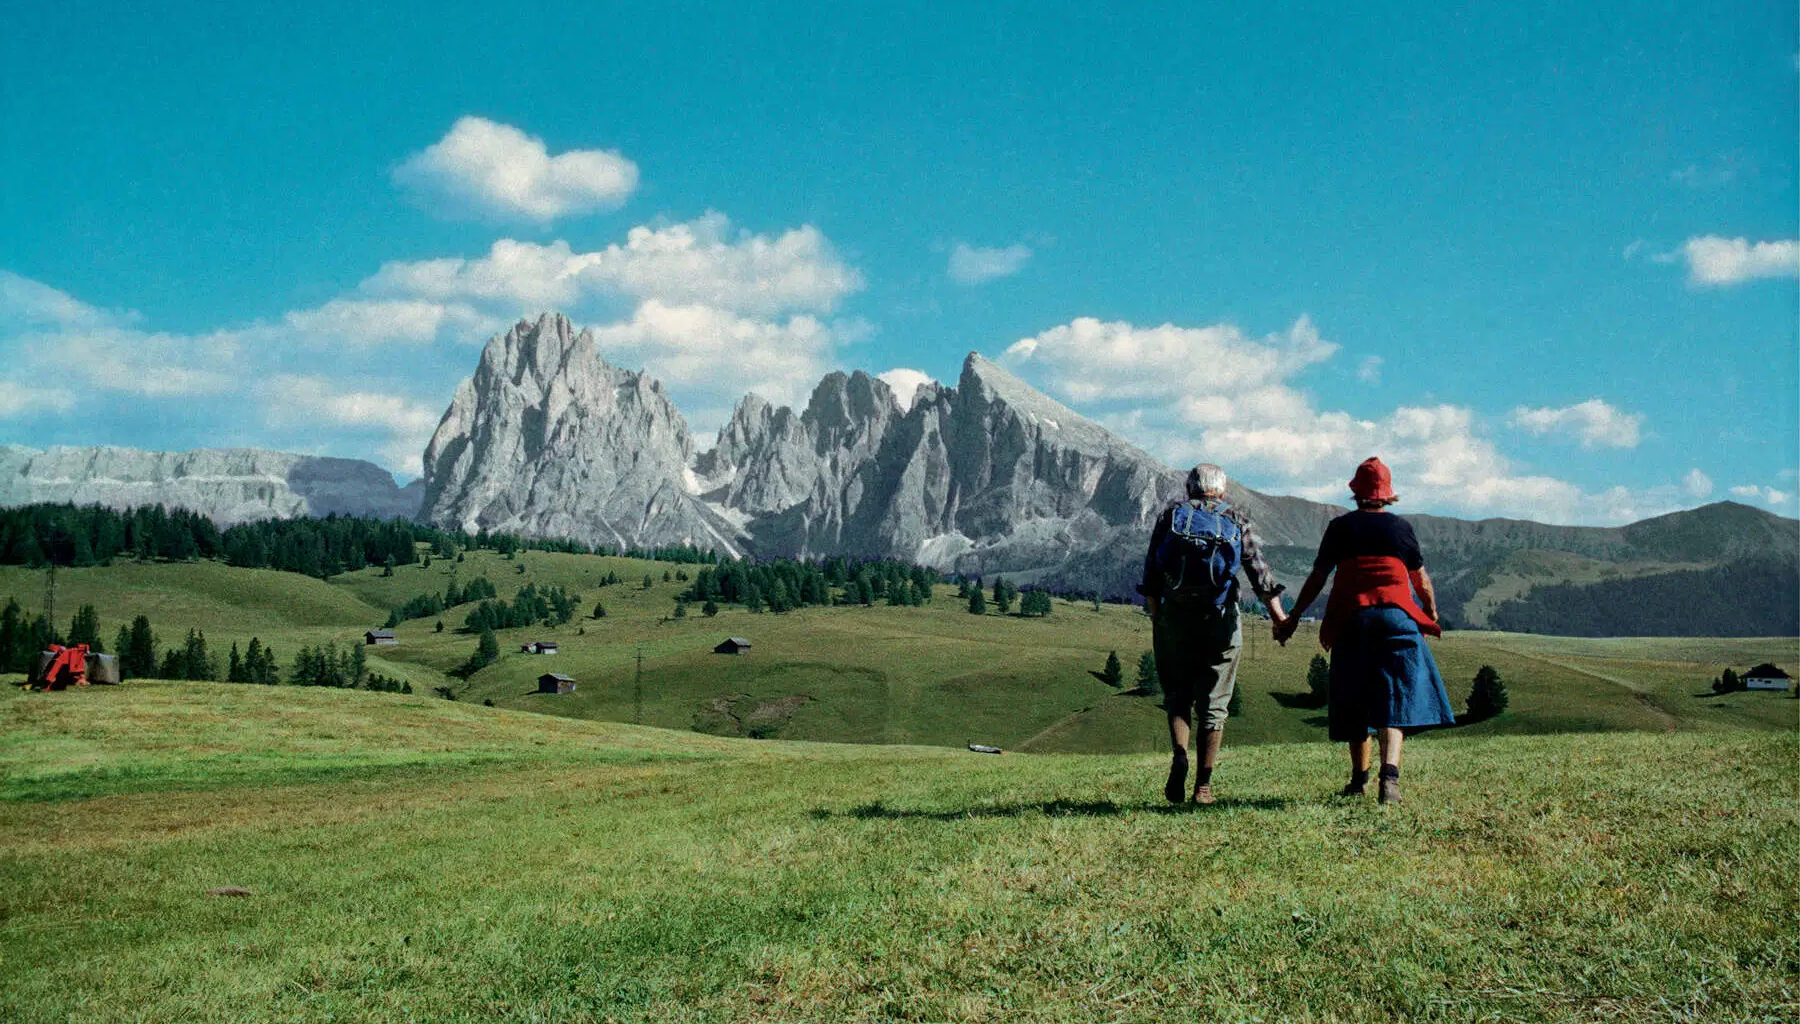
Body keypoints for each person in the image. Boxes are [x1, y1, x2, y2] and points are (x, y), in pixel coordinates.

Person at [1273, 457, 1455, 804]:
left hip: (1353, 619)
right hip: (1396, 618)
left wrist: (1294, 616)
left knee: (1355, 697)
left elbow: (1317, 578)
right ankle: (1390, 780)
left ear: (1356, 492)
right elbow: (1421, 580)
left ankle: (1359, 781)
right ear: (1387, 495)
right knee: (1395, 697)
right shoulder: (1401, 529)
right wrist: (1430, 612)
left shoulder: (1341, 528)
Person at [1140, 463, 1288, 805]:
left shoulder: (1171, 516)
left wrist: (1157, 616)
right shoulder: (1235, 519)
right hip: (1219, 618)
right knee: (1215, 701)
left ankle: (1180, 754)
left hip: (1175, 615)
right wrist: (1279, 619)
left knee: (1177, 693)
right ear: (1221, 491)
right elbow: (1259, 573)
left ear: (1189, 488)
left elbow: (1151, 570)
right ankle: (1203, 786)